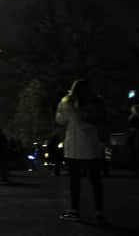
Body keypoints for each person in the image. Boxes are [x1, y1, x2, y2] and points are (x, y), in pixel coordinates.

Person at [56, 79, 107, 224]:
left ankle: (75, 210)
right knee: (96, 181)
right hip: (92, 145)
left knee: (75, 181)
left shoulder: (68, 103)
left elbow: (60, 120)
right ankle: (99, 211)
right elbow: (103, 120)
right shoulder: (97, 103)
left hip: (74, 146)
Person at [128, 97, 139, 177]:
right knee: (137, 151)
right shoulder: (135, 112)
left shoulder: (136, 112)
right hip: (136, 134)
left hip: (138, 133)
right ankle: (138, 169)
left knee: (138, 151)